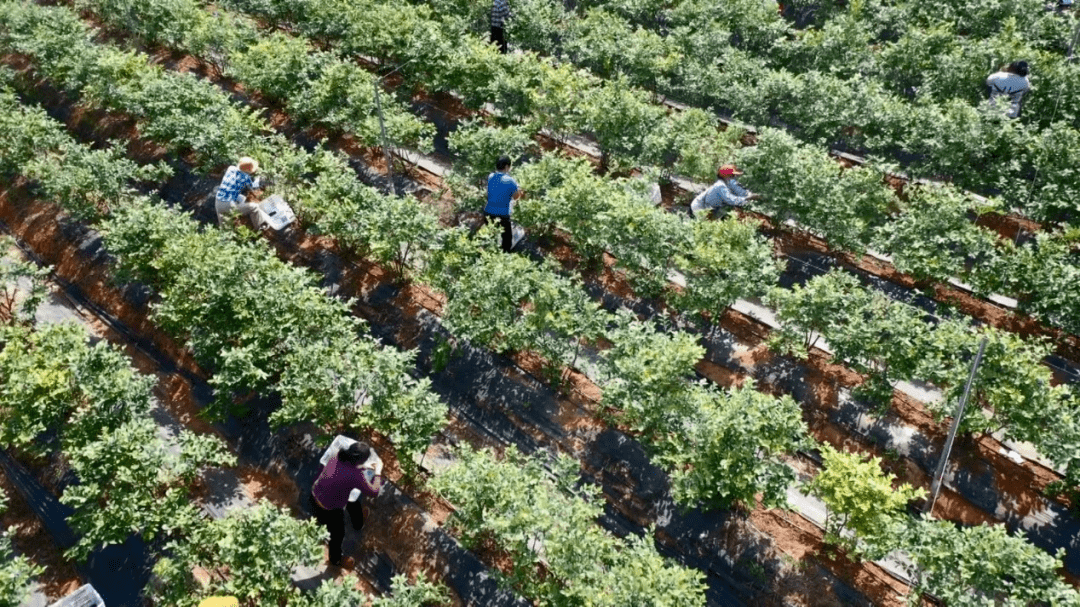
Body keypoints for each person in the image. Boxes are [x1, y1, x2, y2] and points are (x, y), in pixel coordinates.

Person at [309, 441, 384, 568]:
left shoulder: (337, 455)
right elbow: (374, 491)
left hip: (315, 494)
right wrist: (378, 471)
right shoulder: (355, 475)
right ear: (360, 461)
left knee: (352, 501)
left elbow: (345, 472)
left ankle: (358, 521)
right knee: (337, 536)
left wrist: (363, 467)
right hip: (330, 509)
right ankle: (335, 560)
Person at [689, 164, 759, 219]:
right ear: (727, 175)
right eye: (733, 175)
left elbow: (738, 189)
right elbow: (732, 200)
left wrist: (749, 194)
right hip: (699, 209)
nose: (735, 176)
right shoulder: (720, 186)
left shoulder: (729, 182)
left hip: (710, 208)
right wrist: (748, 198)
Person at [214, 156, 265, 227]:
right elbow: (253, 188)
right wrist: (257, 181)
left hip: (218, 201)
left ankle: (224, 230)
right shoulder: (246, 178)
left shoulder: (230, 168)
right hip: (228, 205)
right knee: (255, 207)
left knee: (224, 226)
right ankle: (259, 227)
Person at [484, 155, 520, 252]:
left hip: (488, 212)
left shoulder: (491, 176)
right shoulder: (511, 181)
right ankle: (504, 259)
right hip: (502, 215)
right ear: (507, 167)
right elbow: (516, 197)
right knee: (507, 240)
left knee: (490, 236)